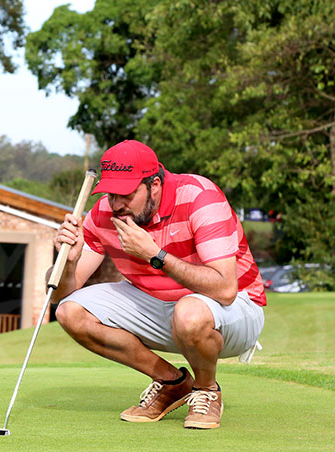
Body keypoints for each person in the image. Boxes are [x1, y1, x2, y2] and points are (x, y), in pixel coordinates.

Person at [51, 140, 265, 430]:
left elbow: (226, 290)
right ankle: (172, 382)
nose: (116, 205)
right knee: (69, 311)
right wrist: (70, 263)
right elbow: (58, 297)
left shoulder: (200, 197)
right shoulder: (103, 214)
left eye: (125, 194)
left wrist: (155, 255)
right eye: (111, 194)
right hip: (163, 308)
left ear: (154, 184)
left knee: (189, 312)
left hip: (235, 312)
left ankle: (207, 390)